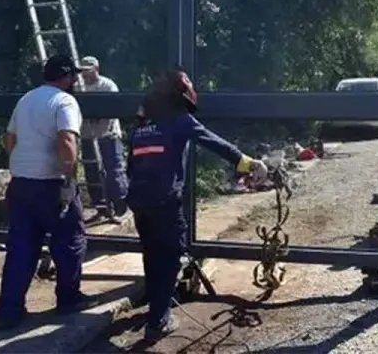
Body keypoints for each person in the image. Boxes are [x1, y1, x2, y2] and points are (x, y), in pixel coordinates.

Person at [127, 70, 268, 341]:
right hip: (164, 201)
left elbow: (132, 165)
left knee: (152, 253)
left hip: (139, 200)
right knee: (170, 256)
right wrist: (250, 163)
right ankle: (158, 321)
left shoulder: (142, 126)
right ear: (182, 95)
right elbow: (214, 142)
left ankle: (156, 304)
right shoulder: (180, 121)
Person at [0, 55, 87, 329]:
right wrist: (70, 179)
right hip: (52, 184)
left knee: (21, 247)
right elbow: (66, 139)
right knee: (69, 242)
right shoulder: (64, 101)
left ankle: (10, 311)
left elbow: (9, 138)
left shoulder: (25, 100)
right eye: (74, 75)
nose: (75, 81)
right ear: (67, 76)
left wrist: (24, 161)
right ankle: (68, 301)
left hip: (21, 183)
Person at [77, 56, 128, 223]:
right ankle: (101, 208)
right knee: (92, 172)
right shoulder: (78, 87)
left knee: (113, 170)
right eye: (82, 71)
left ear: (96, 69)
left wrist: (96, 117)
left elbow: (112, 110)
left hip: (107, 135)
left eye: (88, 70)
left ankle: (120, 207)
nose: (84, 74)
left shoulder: (107, 85)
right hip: (87, 135)